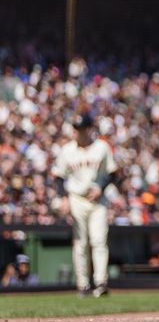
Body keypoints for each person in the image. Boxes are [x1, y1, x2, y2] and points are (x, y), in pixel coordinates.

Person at [52, 114, 118, 298]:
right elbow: (58, 176)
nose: (78, 133)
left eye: (81, 129)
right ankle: (83, 284)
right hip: (77, 198)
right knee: (80, 243)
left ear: (89, 129)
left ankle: (101, 282)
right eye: (76, 129)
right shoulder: (67, 150)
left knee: (98, 240)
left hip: (97, 199)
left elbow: (113, 173)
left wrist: (101, 188)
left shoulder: (101, 147)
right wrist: (63, 197)